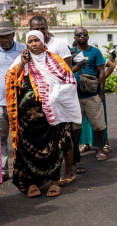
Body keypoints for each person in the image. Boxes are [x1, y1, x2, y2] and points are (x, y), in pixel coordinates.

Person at [5, 30, 81, 197]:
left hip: (52, 116)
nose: (33, 44)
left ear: (42, 41)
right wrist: (22, 64)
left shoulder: (55, 60)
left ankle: (55, 181)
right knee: (27, 151)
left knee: (54, 149)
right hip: (27, 121)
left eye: (36, 41)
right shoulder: (21, 60)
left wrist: (53, 97)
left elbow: (69, 81)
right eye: (30, 41)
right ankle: (31, 183)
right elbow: (10, 81)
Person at [29, 15, 80, 184]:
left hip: (60, 99)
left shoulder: (58, 44)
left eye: (42, 28)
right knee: (46, 140)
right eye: (36, 29)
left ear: (47, 27)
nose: (40, 31)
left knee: (65, 136)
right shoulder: (31, 45)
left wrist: (55, 93)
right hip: (40, 102)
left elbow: (66, 72)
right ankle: (49, 174)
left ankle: (68, 171)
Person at [71, 27, 107, 161]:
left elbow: (101, 72)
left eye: (84, 34)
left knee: (98, 124)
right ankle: (76, 151)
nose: (82, 36)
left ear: (88, 37)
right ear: (74, 37)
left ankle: (99, 149)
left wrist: (101, 92)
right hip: (74, 96)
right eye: (79, 35)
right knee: (76, 126)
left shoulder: (95, 52)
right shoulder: (71, 52)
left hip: (92, 94)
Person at [0, 21, 26, 182]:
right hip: (0, 103)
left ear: (13, 34)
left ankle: (21, 167)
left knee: (22, 136)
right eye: (2, 37)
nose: (5, 39)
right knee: (1, 137)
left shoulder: (23, 49)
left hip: (20, 101)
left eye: (8, 35)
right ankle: (3, 170)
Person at [79, 58, 115, 155]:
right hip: (81, 92)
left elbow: (111, 65)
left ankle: (105, 143)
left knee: (99, 119)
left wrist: (100, 80)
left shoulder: (95, 54)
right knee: (84, 120)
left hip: (95, 91)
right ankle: (86, 143)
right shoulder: (74, 55)